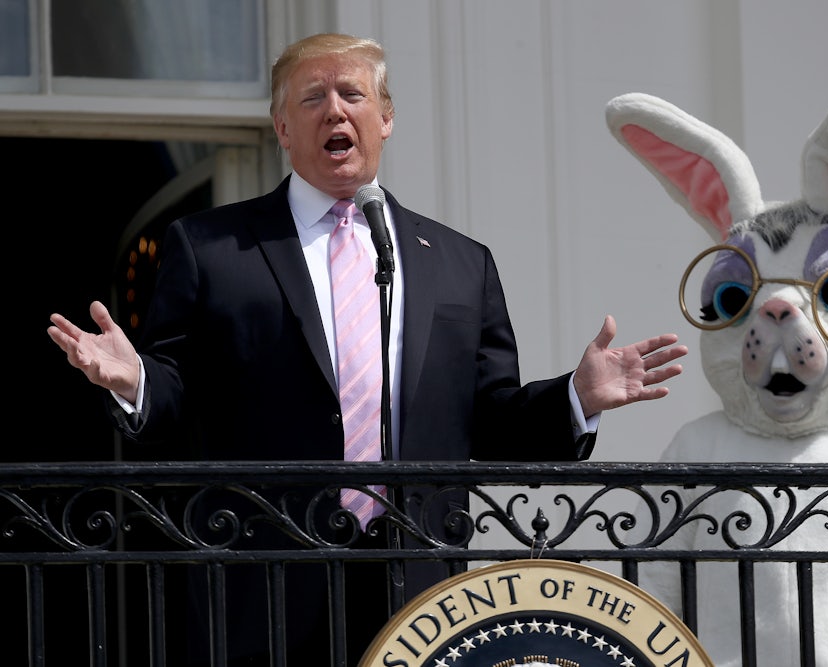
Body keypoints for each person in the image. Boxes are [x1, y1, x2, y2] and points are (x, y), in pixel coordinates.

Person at [47, 32, 688, 666]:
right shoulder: (211, 248)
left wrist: (574, 399)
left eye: (352, 94)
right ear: (281, 127)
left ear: (384, 120)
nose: (335, 110)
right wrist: (136, 381)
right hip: (263, 581)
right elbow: (175, 399)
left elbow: (490, 420)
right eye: (312, 98)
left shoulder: (463, 264)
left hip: (418, 590)